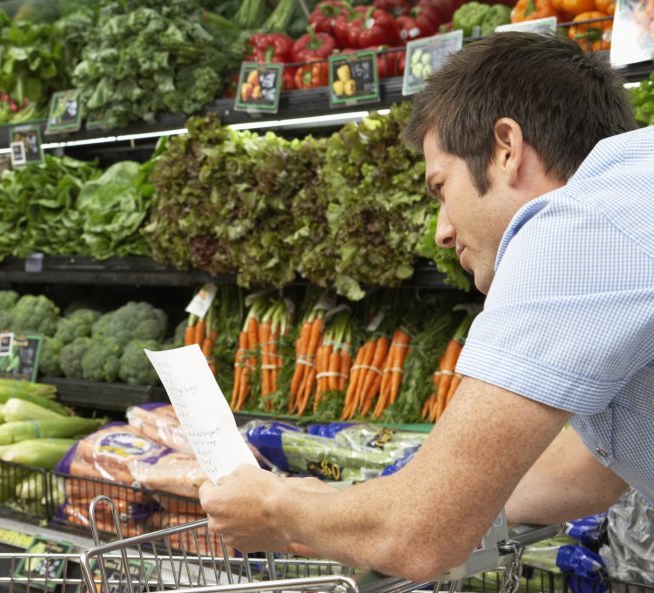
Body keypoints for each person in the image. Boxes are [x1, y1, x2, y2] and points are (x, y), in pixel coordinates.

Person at [199, 32, 651, 583]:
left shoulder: (580, 226)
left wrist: (276, 509)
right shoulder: (626, 200)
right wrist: (363, 502)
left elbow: (419, 536)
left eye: (441, 188)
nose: (441, 231)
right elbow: (591, 470)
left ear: (506, 147)